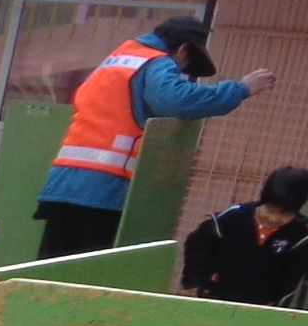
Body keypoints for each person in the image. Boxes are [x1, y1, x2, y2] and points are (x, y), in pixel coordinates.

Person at [35, 15, 274, 260]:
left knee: (50, 268)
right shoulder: (156, 61)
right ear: (183, 50)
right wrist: (240, 89)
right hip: (105, 190)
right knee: (95, 271)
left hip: (63, 184)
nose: (178, 72)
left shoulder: (119, 58)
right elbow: (175, 100)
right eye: (183, 66)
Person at [180, 165, 308, 306]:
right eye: (269, 210)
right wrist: (194, 283)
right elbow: (198, 249)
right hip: (215, 297)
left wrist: (281, 305)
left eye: (285, 214)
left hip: (263, 306)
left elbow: (294, 276)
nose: (273, 218)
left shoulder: (299, 235)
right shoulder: (230, 219)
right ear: (262, 201)